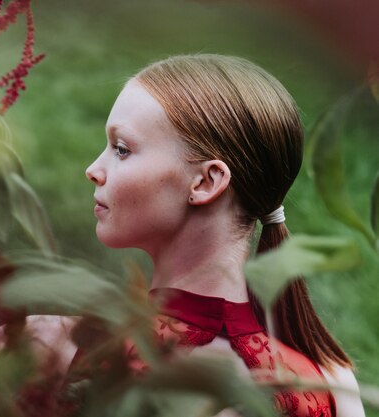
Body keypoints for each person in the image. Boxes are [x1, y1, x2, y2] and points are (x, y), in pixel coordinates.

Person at [84, 54, 364, 417]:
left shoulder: (71, 347)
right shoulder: (329, 379)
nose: (93, 169)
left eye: (122, 149)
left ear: (205, 182)